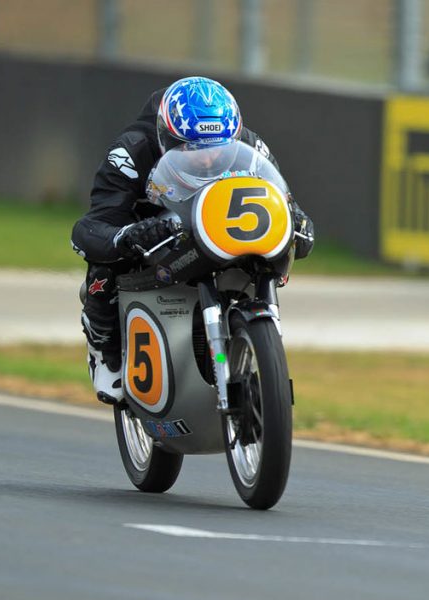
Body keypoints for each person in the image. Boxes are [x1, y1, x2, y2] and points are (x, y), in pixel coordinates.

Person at [71, 76, 314, 405]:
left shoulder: (251, 145)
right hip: (158, 229)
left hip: (219, 227)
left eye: (218, 148)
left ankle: (251, 343)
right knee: (104, 264)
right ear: (165, 135)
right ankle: (104, 347)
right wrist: (130, 235)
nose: (208, 159)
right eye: (191, 148)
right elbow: (94, 225)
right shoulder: (130, 152)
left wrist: (297, 218)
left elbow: (281, 198)